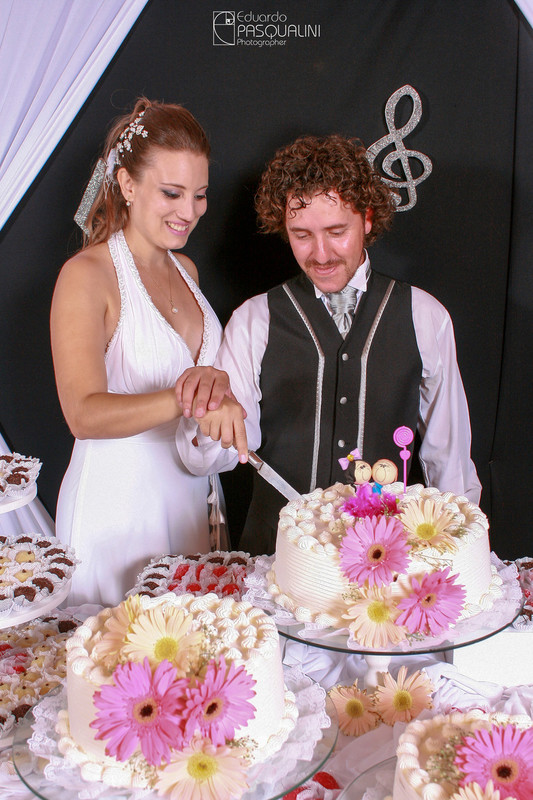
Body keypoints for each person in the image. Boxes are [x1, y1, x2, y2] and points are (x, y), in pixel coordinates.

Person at [176, 134, 481, 556]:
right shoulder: (254, 319)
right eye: (302, 235)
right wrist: (209, 419)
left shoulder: (425, 316)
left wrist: (460, 550)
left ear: (368, 219)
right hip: (276, 554)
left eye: (337, 231)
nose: (321, 254)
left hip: (390, 558)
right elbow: (217, 457)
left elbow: (448, 458)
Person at [51, 98, 233, 606]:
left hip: (190, 501)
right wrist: (192, 398)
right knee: (118, 669)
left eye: (200, 195)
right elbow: (82, 413)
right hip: (117, 509)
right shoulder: (87, 276)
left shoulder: (187, 272)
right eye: (172, 193)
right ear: (128, 184)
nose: (189, 212)